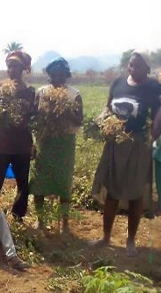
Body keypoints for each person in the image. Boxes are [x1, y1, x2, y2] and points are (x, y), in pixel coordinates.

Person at [91, 50, 161, 256]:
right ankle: (105, 237)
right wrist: (102, 120)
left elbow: (159, 113)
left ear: (147, 68)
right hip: (115, 144)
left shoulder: (153, 87)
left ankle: (131, 241)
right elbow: (107, 107)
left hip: (139, 145)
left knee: (135, 193)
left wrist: (154, 133)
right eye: (131, 65)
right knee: (112, 190)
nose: (133, 69)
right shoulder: (118, 82)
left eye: (138, 66)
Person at [30, 58, 83, 232]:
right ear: (49, 75)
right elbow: (33, 117)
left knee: (63, 183)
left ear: (66, 75)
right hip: (45, 141)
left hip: (65, 144)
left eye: (61, 74)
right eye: (54, 74)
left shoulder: (74, 94)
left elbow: (79, 120)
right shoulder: (42, 92)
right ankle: (41, 220)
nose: (57, 78)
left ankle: (65, 223)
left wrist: (67, 111)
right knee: (40, 182)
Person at [0, 51, 36, 221]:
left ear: (23, 69)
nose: (12, 70)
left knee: (23, 183)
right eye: (9, 66)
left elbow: (33, 118)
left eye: (16, 67)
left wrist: (33, 143)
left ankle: (17, 215)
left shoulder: (30, 91)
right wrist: (4, 114)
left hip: (22, 144)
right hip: (1, 142)